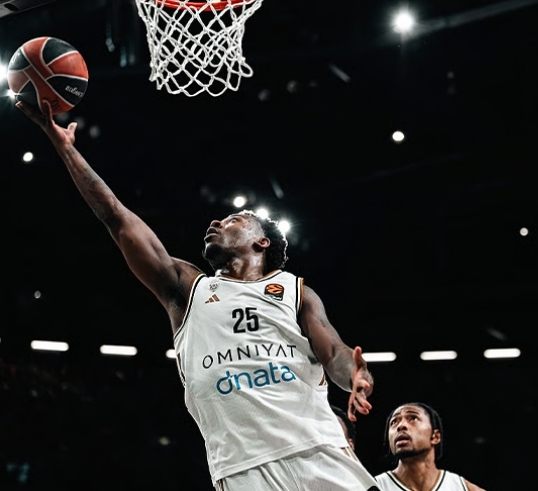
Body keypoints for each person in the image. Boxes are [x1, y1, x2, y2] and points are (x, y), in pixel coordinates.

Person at [16, 100, 379, 491]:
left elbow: (334, 352)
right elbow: (116, 218)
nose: (216, 222)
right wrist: (66, 149)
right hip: (242, 469)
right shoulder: (187, 288)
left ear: (261, 242)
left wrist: (355, 375)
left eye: (233, 220)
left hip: (318, 451)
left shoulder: (295, 291)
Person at [376, 402, 486, 491]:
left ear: (435, 437)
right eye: (394, 422)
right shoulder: (375, 486)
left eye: (413, 418)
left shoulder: (463, 488)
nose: (401, 426)